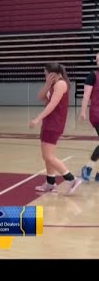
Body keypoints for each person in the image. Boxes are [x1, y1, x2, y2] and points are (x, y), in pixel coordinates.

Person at [29, 62, 82, 195]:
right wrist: (47, 84)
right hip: (49, 123)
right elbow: (40, 97)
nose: (44, 74)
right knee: (47, 156)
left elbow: (51, 105)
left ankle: (72, 179)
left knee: (49, 156)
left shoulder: (61, 84)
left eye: (46, 73)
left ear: (52, 73)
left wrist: (37, 118)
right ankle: (50, 183)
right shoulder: (52, 84)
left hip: (54, 123)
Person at [80, 53, 99, 181]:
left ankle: (95, 172)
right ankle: (88, 167)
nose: (97, 61)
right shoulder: (92, 75)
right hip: (97, 113)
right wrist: (82, 111)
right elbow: (86, 95)